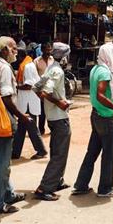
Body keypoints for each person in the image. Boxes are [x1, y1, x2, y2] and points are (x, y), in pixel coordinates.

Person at [0, 36, 32, 213]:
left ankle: (9, 193)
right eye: (13, 48)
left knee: (1, 160)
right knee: (1, 164)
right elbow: (5, 97)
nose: (16, 51)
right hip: (2, 120)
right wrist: (22, 116)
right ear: (4, 50)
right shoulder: (3, 68)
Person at [73, 42, 113, 197]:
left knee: (92, 152)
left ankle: (81, 184)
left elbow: (101, 94)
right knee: (110, 154)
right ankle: (105, 188)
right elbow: (100, 94)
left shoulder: (96, 69)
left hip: (96, 114)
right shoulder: (104, 72)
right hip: (105, 117)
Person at [32, 42, 72, 201]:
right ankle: (45, 187)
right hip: (59, 117)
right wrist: (59, 103)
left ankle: (57, 181)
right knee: (59, 153)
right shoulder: (57, 71)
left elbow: (36, 88)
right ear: (63, 57)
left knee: (58, 150)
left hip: (52, 116)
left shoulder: (51, 68)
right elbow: (44, 92)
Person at [13, 49, 47, 160]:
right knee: (21, 129)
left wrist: (16, 87)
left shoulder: (27, 67)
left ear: (20, 57)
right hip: (26, 102)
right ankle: (15, 152)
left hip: (28, 103)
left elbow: (29, 85)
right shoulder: (28, 64)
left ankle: (41, 150)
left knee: (32, 128)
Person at [34, 42, 54, 135]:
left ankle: (52, 128)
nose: (48, 51)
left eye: (50, 49)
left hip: (51, 88)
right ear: (42, 50)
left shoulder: (52, 59)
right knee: (42, 111)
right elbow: (34, 76)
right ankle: (41, 129)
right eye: (46, 49)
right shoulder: (36, 61)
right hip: (41, 89)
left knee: (51, 109)